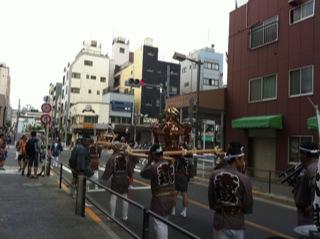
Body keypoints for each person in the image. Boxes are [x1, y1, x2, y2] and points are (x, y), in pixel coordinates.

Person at [208, 142, 253, 239]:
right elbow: (248, 205)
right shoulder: (244, 179)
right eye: (242, 159)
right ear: (237, 159)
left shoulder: (214, 175)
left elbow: (211, 202)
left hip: (220, 221)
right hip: (237, 222)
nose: (243, 161)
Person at [140, 144, 175, 239]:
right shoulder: (171, 165)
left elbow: (143, 173)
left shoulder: (154, 167)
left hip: (160, 199)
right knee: (164, 223)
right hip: (171, 197)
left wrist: (149, 162)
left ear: (153, 155)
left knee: (159, 224)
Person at [102, 141, 132, 221]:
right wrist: (130, 177)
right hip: (125, 179)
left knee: (113, 197)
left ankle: (112, 216)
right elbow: (130, 170)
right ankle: (125, 216)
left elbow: (108, 170)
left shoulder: (112, 158)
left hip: (116, 179)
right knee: (125, 197)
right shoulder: (126, 157)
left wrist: (105, 177)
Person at [293, 142, 319, 226]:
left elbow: (317, 191)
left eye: (300, 153)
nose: (299, 156)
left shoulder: (312, 169)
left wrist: (310, 208)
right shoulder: (308, 167)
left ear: (305, 154)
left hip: (309, 215)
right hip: (306, 213)